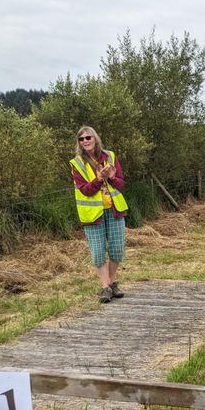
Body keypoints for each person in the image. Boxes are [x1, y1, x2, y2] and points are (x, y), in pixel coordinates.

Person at [70, 126, 129, 304]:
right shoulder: (77, 163)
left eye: (88, 137)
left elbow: (120, 184)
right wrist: (98, 179)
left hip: (114, 210)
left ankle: (111, 283)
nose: (85, 141)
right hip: (92, 214)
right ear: (79, 143)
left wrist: (110, 177)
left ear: (95, 138)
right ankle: (105, 287)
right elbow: (86, 190)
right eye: (81, 139)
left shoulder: (110, 156)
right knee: (97, 253)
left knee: (117, 250)